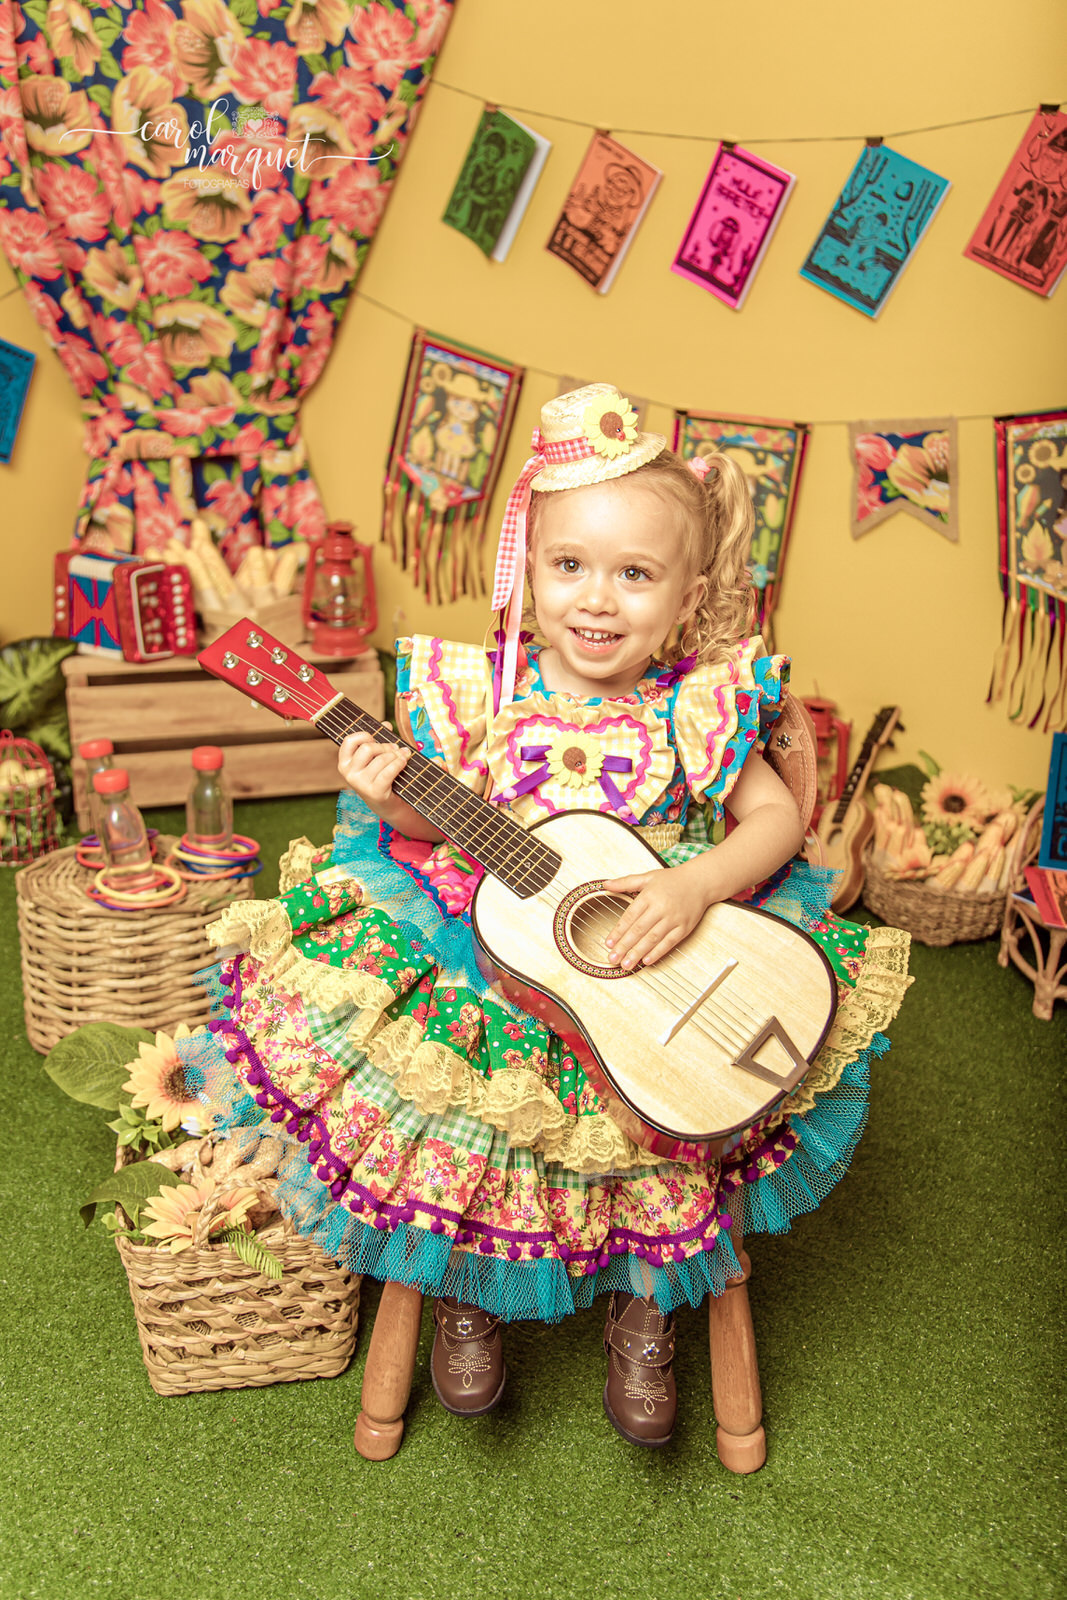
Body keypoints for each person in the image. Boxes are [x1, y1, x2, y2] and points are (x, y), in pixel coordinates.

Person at [183, 384, 911, 1448]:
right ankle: (467, 1287)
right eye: (570, 566)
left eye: (634, 574)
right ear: (529, 568)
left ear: (684, 593)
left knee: (661, 1122)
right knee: (471, 1102)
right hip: (498, 952)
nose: (597, 600)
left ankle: (645, 1310)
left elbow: (773, 820)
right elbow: (426, 830)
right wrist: (385, 786)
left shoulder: (690, 704)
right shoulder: (481, 697)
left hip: (663, 959)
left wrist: (693, 883)